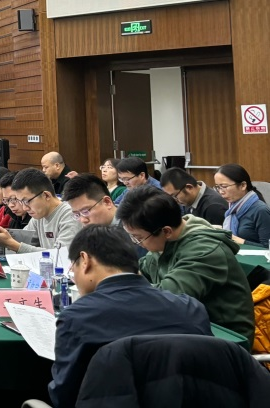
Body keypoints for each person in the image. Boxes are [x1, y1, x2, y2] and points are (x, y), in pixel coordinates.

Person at [47, 225, 212, 408]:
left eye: (73, 268)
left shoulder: (77, 317)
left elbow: (64, 396)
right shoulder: (190, 308)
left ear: (85, 260)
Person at [118, 186, 255, 341]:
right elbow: (140, 271)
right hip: (188, 325)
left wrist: (124, 287)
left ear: (166, 231)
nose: (136, 243)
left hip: (223, 338)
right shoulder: (163, 242)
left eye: (138, 238)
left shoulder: (205, 251)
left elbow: (168, 297)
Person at [0, 168, 81, 254]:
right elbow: (22, 240)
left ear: (46, 195)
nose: (25, 208)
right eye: (21, 202)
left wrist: (14, 246)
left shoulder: (70, 215)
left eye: (26, 201)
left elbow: (60, 255)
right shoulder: (39, 216)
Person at [213, 163, 270, 247]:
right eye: (218, 187)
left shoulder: (260, 210)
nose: (221, 192)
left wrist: (239, 240)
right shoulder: (232, 207)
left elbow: (267, 247)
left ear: (243, 185)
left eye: (224, 186)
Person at [160, 168, 227, 226]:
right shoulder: (189, 200)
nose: (175, 200)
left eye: (174, 196)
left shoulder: (213, 207)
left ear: (189, 187)